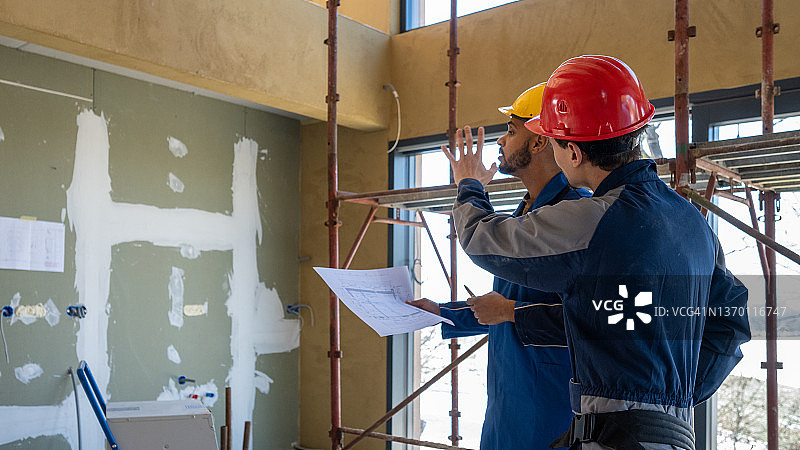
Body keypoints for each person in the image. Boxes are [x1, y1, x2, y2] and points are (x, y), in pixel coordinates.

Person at [442, 55, 750, 449]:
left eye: (554, 141)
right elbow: (730, 322)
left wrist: (468, 185)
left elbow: (481, 238)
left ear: (572, 152)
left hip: (610, 438)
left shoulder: (590, 219)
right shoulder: (689, 219)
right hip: (673, 437)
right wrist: (675, 397)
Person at [409, 83, 587, 449]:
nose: (500, 143)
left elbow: (591, 319)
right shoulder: (530, 212)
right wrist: (442, 312)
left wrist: (469, 186)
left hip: (550, 412)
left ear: (540, 142)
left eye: (510, 130)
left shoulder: (574, 213)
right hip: (511, 402)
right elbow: (501, 309)